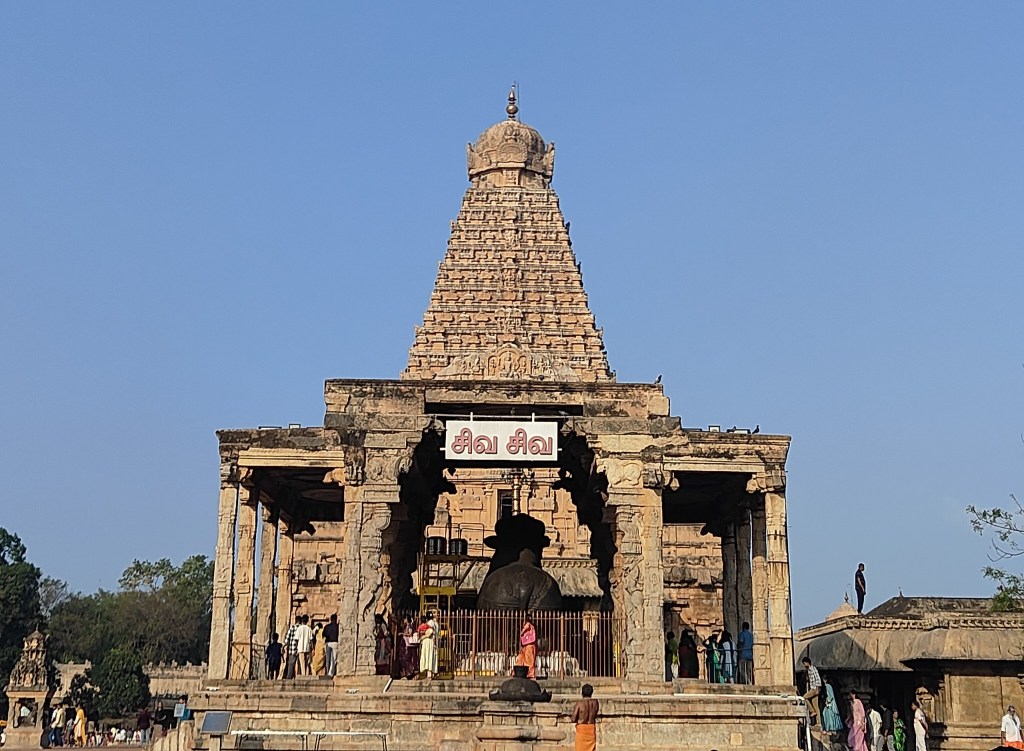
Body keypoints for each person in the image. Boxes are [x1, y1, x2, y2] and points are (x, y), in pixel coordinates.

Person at [570, 683, 599, 751]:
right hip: (591, 728)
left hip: (581, 729)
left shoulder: (579, 703)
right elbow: (595, 714)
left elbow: (573, 719)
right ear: (592, 693)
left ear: (582, 693)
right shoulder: (595, 703)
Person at [801, 656, 822, 724]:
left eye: (804, 663)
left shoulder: (813, 669)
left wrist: (818, 688)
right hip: (813, 688)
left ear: (807, 663)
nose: (804, 665)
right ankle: (819, 723)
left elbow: (818, 678)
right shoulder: (808, 670)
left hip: (814, 688)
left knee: (804, 697)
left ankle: (812, 710)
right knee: (816, 706)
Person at [517, 614, 537, 679]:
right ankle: (530, 673)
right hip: (531, 644)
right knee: (530, 660)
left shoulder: (528, 624)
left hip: (528, 645)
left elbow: (523, 630)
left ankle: (529, 673)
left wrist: (521, 632)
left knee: (528, 660)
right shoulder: (533, 626)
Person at [418, 614, 438, 680]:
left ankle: (429, 675)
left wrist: (421, 637)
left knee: (427, 657)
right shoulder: (436, 624)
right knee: (431, 657)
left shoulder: (429, 624)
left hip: (427, 642)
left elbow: (429, 633)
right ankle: (431, 674)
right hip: (432, 641)